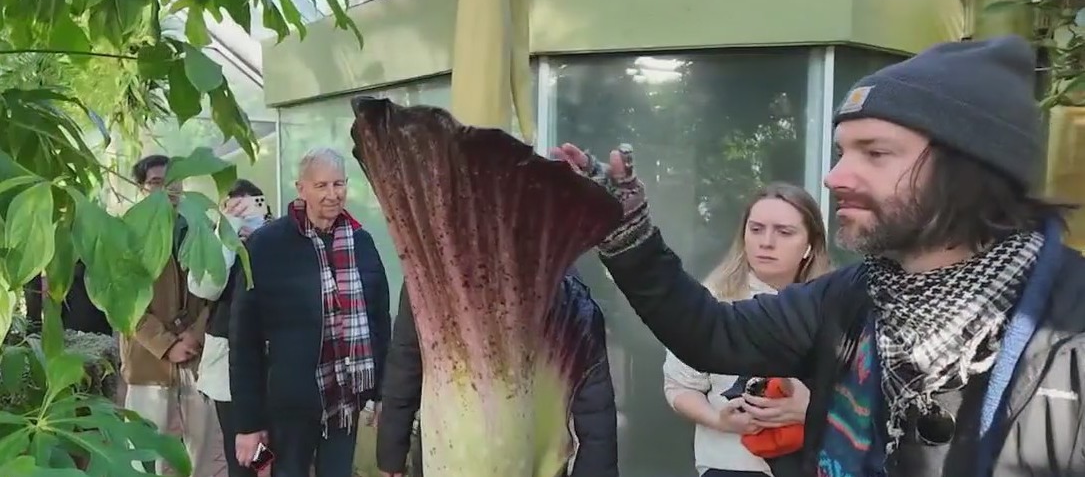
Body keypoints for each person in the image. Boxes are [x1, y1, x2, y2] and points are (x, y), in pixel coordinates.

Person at [551, 35, 1085, 476]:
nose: (834, 178)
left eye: (874, 153)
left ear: (968, 172)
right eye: (840, 153)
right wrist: (629, 236)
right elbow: (714, 333)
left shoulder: (1069, 323)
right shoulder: (852, 297)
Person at [230, 147, 392, 477]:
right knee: (273, 472)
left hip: (346, 403)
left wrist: (384, 393)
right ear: (300, 189)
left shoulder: (362, 243)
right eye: (321, 186)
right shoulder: (265, 246)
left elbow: (379, 323)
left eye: (338, 184)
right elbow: (243, 342)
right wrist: (248, 424)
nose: (332, 195)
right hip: (285, 408)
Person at [376, 269, 619, 477]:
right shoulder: (431, 275)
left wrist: (392, 452)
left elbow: (593, 404)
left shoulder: (561, 284)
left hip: (528, 460)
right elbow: (407, 362)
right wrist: (392, 451)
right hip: (450, 458)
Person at [663, 183, 831, 477]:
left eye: (784, 232)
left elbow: (866, 399)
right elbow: (680, 387)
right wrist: (719, 420)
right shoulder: (713, 301)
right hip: (730, 464)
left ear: (810, 245)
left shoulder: (837, 303)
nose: (766, 242)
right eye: (756, 229)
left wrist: (811, 410)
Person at [122, 154, 216, 475]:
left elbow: (213, 292)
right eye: (156, 183)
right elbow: (124, 301)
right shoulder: (126, 235)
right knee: (145, 452)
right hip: (149, 362)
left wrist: (196, 334)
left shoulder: (199, 228)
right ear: (142, 188)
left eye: (172, 182)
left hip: (196, 358)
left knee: (202, 447)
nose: (166, 190)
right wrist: (164, 344)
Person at [191, 179, 273, 477]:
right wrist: (227, 234)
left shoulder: (278, 236)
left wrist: (261, 237)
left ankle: (264, 469)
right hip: (229, 365)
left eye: (251, 204)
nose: (244, 210)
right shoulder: (217, 241)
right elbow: (204, 287)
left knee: (268, 448)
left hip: (272, 362)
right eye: (234, 205)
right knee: (239, 447)